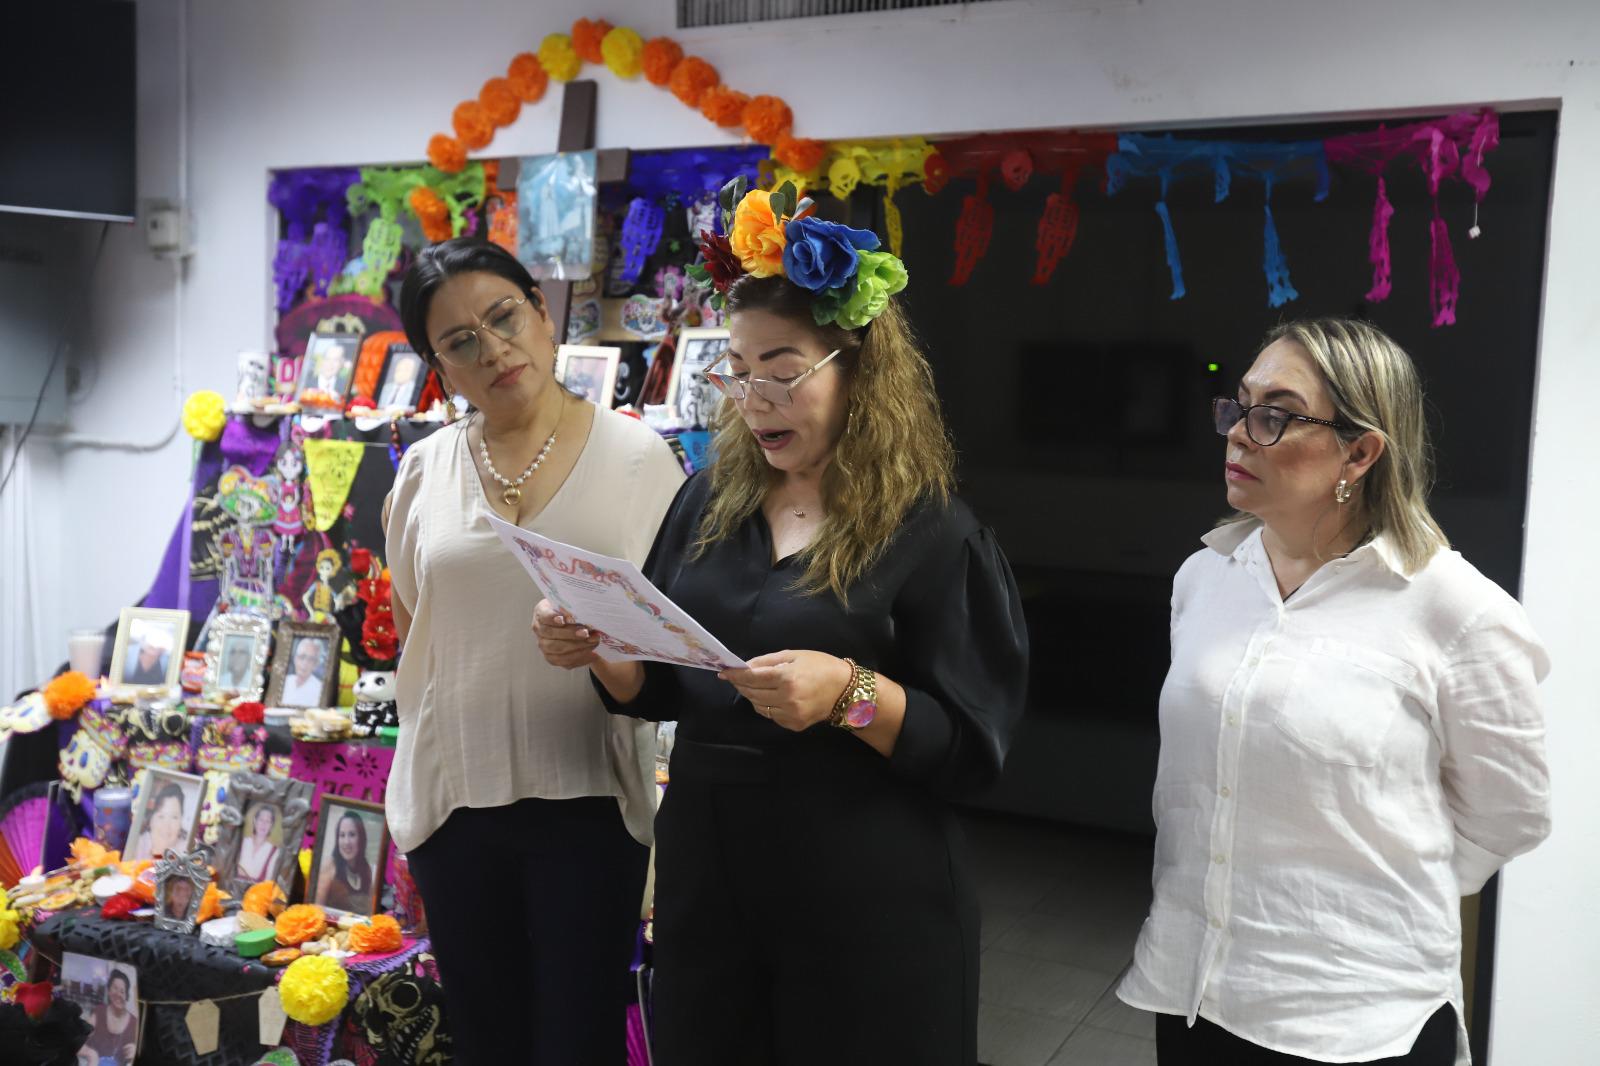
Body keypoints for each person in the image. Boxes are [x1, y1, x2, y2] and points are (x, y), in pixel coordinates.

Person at [534, 193, 1029, 1066]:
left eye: (783, 369)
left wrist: (849, 693)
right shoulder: (710, 500)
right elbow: (662, 679)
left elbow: (972, 746)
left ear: (857, 371)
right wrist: (604, 646)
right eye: (736, 369)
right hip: (711, 881)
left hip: (866, 896)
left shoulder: (933, 530)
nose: (755, 398)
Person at [1116, 319, 1551, 1065]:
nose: (1239, 434)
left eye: (1276, 414)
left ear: (1361, 450)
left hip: (1355, 1017)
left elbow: (1512, 815)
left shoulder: (1453, 610)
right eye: (1238, 404)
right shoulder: (1206, 580)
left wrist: (1370, 899)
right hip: (1195, 992)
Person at [385, 237, 686, 1066]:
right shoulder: (421, 473)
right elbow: (421, 636)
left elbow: (674, 645)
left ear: (543, 314)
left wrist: (601, 648)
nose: (494, 350)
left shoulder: (640, 460)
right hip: (455, 805)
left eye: (504, 317)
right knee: (486, 1041)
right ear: (438, 366)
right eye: (460, 342)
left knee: (576, 1041)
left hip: (589, 801)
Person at [314, 810, 375, 914]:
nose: (346, 842)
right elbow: (315, 910)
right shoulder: (330, 866)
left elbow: (369, 914)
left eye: (352, 834)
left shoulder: (367, 869)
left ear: (361, 838)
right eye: (342, 835)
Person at [77, 968, 138, 1065]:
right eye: (115, 988)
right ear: (109, 991)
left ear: (126, 996)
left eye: (122, 991)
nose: (118, 994)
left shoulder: (135, 1024)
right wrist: (91, 1054)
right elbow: (75, 1041)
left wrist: (136, 1055)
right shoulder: (99, 1012)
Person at [132, 782, 188, 861]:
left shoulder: (187, 850)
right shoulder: (136, 845)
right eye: (161, 817)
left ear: (180, 821)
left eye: (174, 817)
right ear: (151, 820)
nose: (166, 825)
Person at [234, 804, 280, 884]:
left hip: (257, 894)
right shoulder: (243, 842)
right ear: (255, 821)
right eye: (261, 820)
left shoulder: (274, 850)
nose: (263, 824)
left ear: (271, 825)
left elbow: (268, 883)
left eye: (268, 821)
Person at [279, 637, 327, 706]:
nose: (305, 663)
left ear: (316, 664)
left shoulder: (320, 689)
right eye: (302, 656)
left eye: (311, 659)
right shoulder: (285, 681)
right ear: (295, 658)